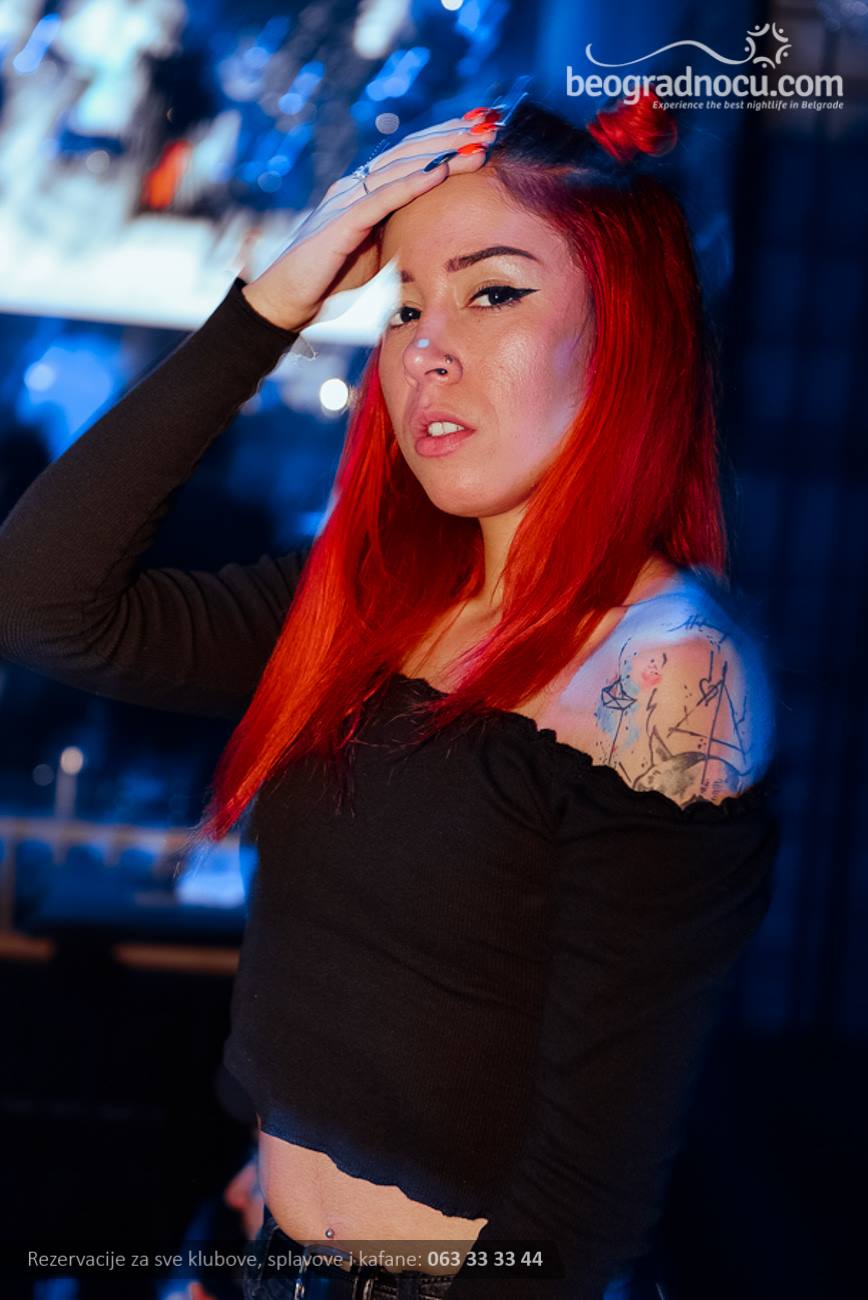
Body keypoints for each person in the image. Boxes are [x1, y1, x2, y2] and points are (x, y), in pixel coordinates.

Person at [0, 88, 780, 1300]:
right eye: (406, 303)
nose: (426, 346)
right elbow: (41, 598)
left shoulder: (667, 669)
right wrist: (275, 299)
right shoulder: (369, 605)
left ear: (627, 330)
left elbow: (584, 1195)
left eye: (493, 292)